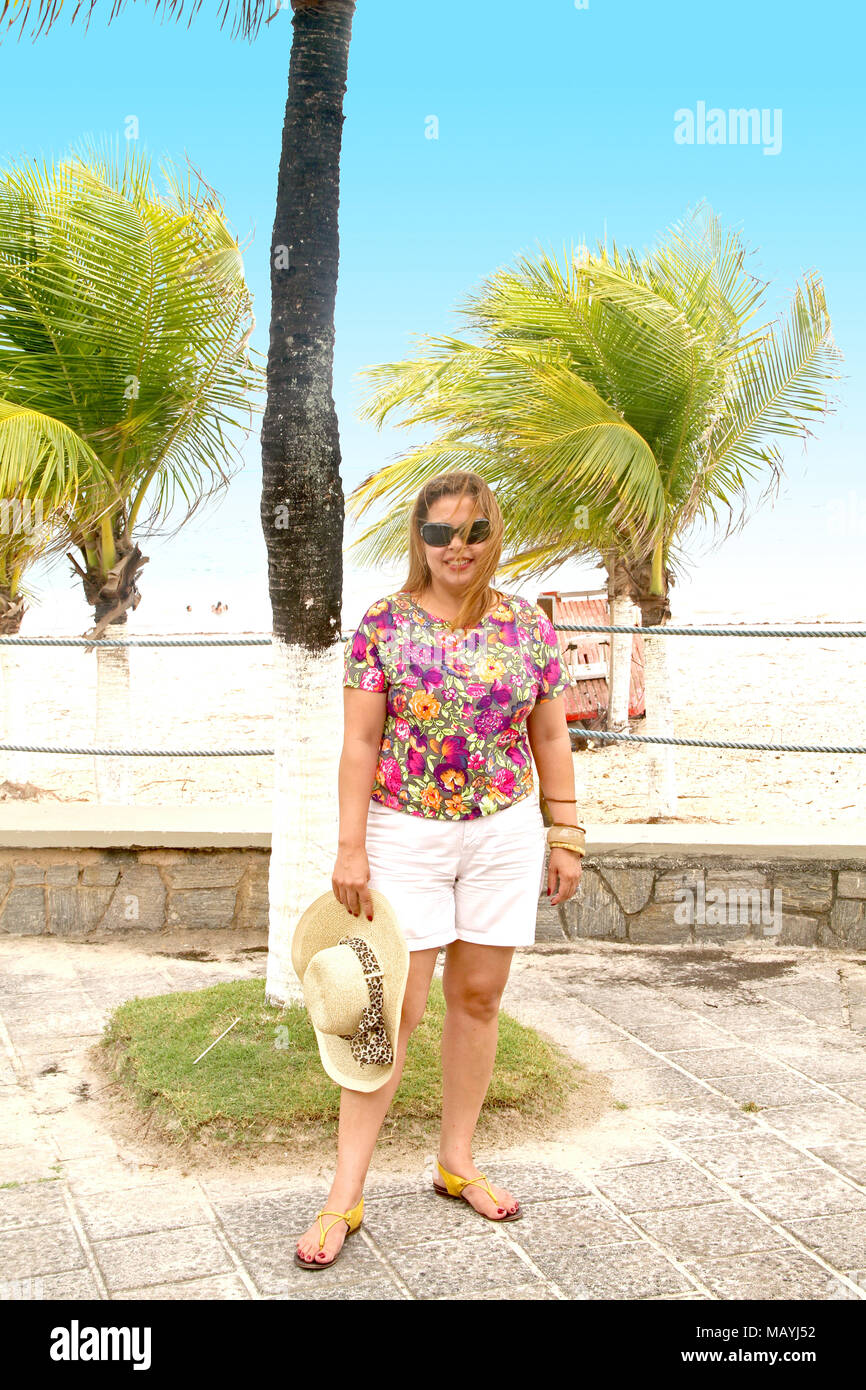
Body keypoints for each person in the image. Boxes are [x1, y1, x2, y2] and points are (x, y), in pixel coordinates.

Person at [295, 470, 584, 1268]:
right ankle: (342, 1196)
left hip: (502, 833)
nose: (457, 547)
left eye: (474, 532)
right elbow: (359, 743)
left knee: (481, 998)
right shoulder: (382, 625)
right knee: (391, 1013)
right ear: (417, 538)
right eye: (440, 532)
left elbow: (551, 738)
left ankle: (457, 1161)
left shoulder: (528, 626)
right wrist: (350, 846)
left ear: (495, 535)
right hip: (404, 834)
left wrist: (566, 834)